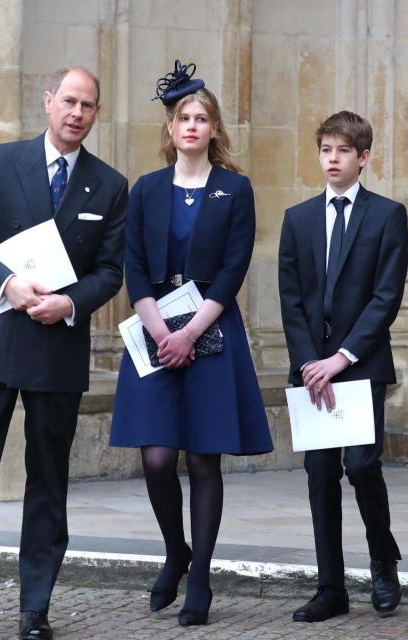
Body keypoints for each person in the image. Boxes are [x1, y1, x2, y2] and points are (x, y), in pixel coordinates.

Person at [0, 67, 128, 640]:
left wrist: (70, 304)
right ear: (47, 102)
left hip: (57, 351)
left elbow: (111, 272)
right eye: (68, 101)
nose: (76, 113)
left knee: (49, 481)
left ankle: (35, 610)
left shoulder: (109, 185)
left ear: (95, 113)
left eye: (87, 104)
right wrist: (8, 284)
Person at [109, 61, 272, 627]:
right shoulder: (148, 189)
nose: (193, 125)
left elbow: (233, 270)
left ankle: (199, 574)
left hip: (210, 335)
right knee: (156, 458)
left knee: (203, 459)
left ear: (214, 128)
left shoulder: (236, 188)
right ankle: (175, 550)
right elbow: (134, 267)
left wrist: (191, 332)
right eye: (185, 117)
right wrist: (161, 333)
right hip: (155, 336)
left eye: (203, 118)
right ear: (172, 127)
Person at [278, 111, 408, 623]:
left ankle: (383, 559)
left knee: (360, 466)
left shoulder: (387, 215)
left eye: (342, 151)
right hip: (312, 368)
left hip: (360, 364)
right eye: (325, 150)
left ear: (364, 157)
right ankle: (330, 587)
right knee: (318, 476)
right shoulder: (298, 218)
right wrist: (311, 362)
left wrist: (342, 357)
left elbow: (386, 296)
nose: (332, 160)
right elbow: (290, 301)